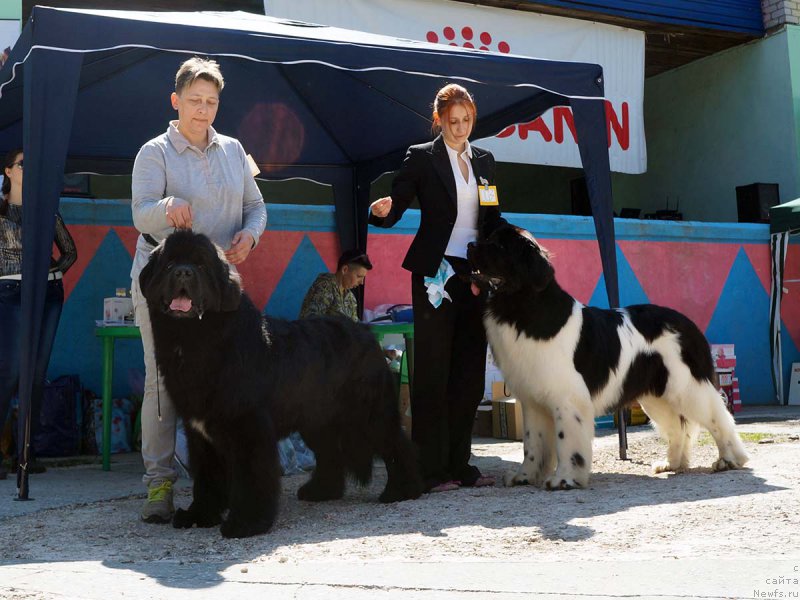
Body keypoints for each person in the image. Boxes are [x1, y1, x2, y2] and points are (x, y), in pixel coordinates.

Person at [130, 57, 267, 523]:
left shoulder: (233, 149)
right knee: (164, 385)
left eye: (211, 102)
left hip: (220, 290)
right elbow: (140, 214)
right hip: (165, 285)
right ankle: (159, 486)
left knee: (230, 382)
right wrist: (166, 207)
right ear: (176, 101)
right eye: (194, 101)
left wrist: (251, 234)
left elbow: (256, 206)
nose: (203, 110)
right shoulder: (154, 152)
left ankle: (223, 482)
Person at [369, 83, 506, 493]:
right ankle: (430, 471)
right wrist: (383, 212)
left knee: (467, 376)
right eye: (452, 121)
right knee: (433, 374)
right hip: (434, 275)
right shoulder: (422, 158)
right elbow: (399, 202)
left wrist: (508, 253)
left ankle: (460, 465)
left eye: (466, 121)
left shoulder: (485, 161)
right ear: (439, 120)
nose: (460, 128)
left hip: (474, 276)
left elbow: (493, 218)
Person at [0, 149, 77, 480]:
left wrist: (50, 271)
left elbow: (71, 252)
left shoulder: (45, 210)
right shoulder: (1, 211)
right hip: (11, 293)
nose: (28, 170)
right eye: (22, 164)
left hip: (48, 293)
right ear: (8, 171)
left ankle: (25, 452)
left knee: (36, 373)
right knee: (11, 372)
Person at [299, 249, 372, 321]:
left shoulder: (350, 298)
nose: (361, 282)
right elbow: (311, 321)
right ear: (345, 270)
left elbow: (355, 325)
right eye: (359, 276)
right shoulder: (325, 286)